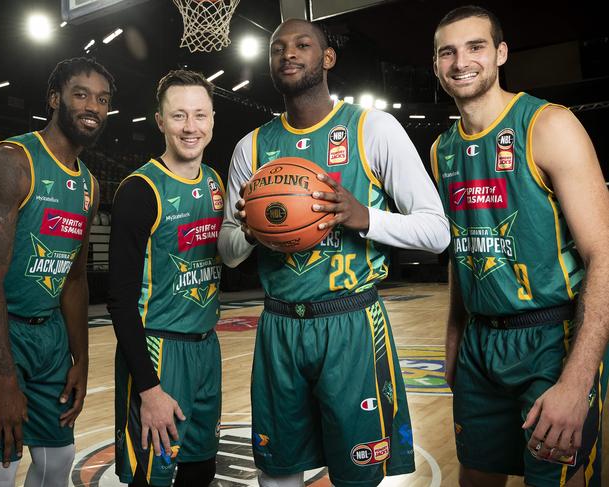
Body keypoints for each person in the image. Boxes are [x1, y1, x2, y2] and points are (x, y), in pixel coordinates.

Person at [219, 18, 450, 487]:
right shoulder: (252, 147)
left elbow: (437, 231)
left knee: (358, 473)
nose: (288, 53)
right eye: (278, 48)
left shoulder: (373, 128)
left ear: (327, 59)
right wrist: (250, 227)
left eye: (303, 44)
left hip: (351, 321)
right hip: (280, 325)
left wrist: (365, 217)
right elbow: (228, 254)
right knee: (276, 470)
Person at [431, 6, 609, 487]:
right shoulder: (442, 149)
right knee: (476, 477)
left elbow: (604, 255)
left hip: (552, 341)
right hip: (479, 345)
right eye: (447, 52)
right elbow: (461, 249)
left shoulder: (549, 125)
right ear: (436, 65)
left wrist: (577, 382)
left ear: (500, 53)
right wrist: (454, 337)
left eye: (475, 47)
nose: (460, 61)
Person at [0, 57, 113, 485]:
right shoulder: (13, 161)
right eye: (81, 94)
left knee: (58, 461)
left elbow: (76, 279)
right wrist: (5, 380)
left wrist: (80, 360)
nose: (93, 107)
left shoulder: (89, 184)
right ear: (54, 99)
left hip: (48, 337)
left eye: (102, 99)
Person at [108, 70, 223, 487]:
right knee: (151, 478)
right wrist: (150, 388)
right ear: (160, 121)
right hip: (158, 350)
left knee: (200, 469)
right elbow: (119, 301)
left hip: (206, 349)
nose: (190, 127)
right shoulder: (140, 190)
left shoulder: (215, 182)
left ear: (212, 119)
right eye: (178, 116)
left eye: (199, 115)